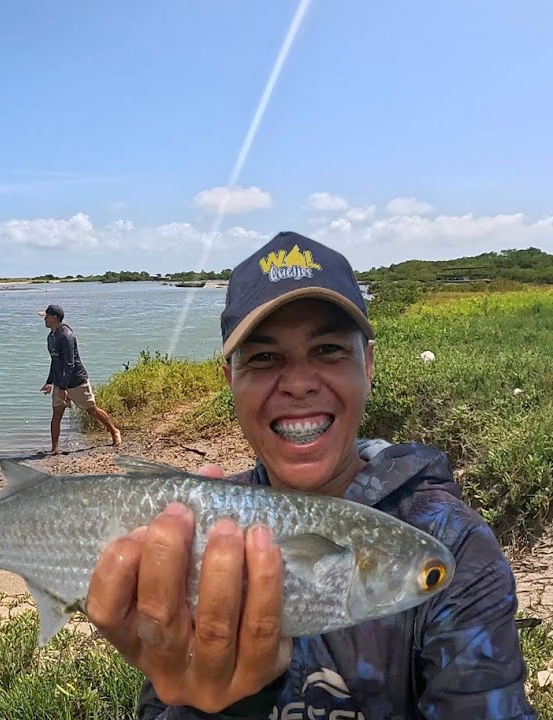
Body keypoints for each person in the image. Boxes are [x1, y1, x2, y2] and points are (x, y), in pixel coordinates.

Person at [84, 231, 536, 719]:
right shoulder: (197, 528)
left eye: (328, 350)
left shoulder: (456, 545)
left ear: (368, 364)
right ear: (230, 381)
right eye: (263, 357)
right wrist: (211, 703)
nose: (298, 383)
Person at [39, 303, 122, 454]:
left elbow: (69, 364)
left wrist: (63, 388)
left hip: (77, 381)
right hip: (60, 382)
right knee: (56, 414)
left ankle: (114, 431)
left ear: (55, 318)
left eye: (47, 316)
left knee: (92, 410)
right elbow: (55, 360)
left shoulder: (66, 336)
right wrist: (49, 382)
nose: (44, 319)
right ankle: (54, 449)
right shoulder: (51, 337)